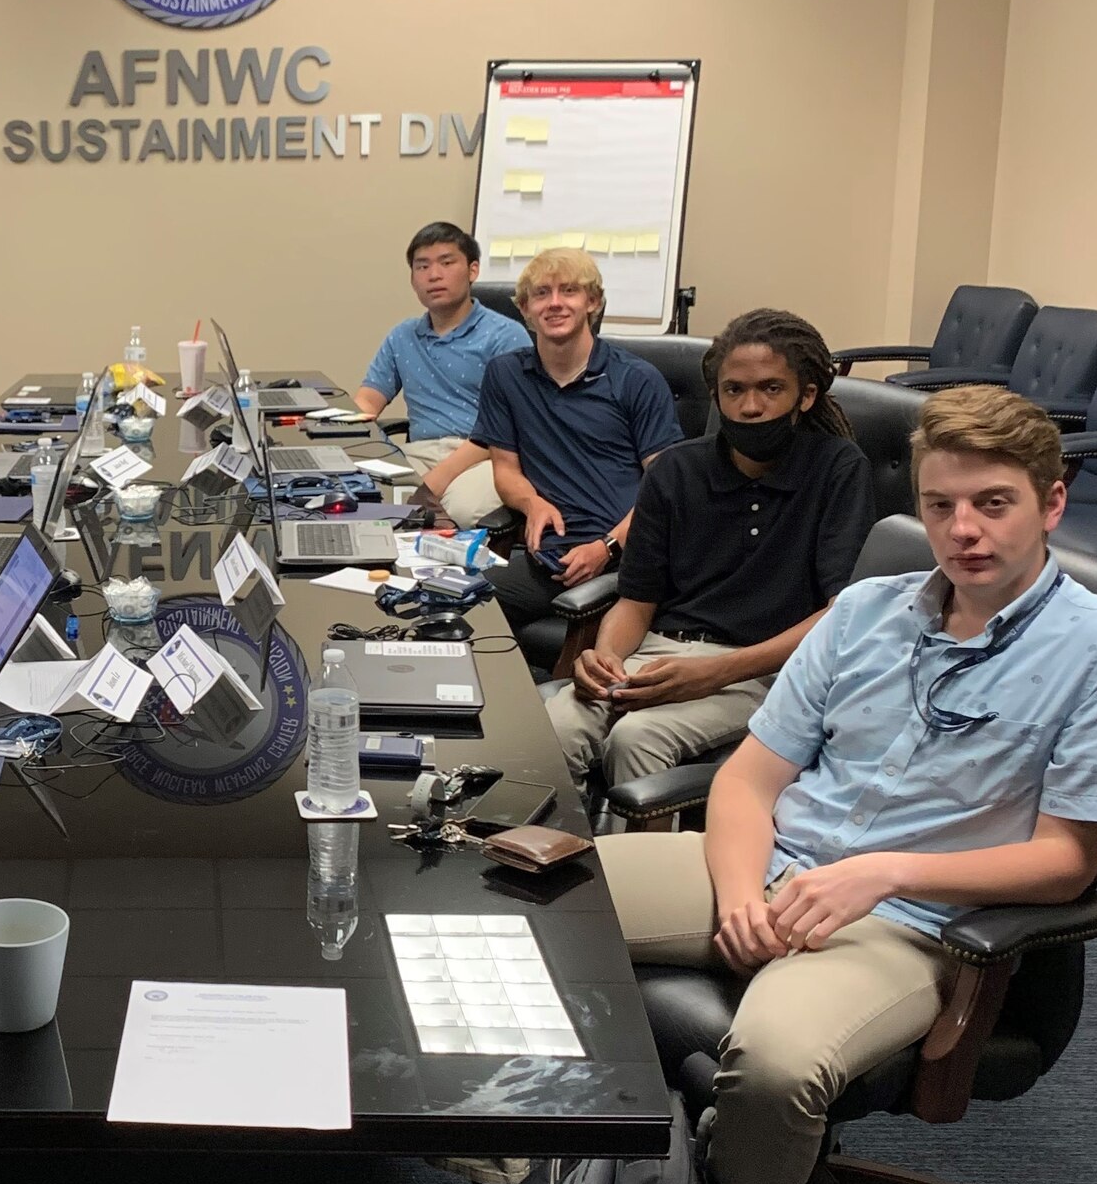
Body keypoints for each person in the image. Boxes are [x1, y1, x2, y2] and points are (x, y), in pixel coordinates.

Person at [597, 385, 1097, 1184]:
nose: (963, 530)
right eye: (941, 504)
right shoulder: (868, 610)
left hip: (913, 923)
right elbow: (749, 781)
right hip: (775, 864)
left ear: (1052, 501)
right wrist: (742, 888)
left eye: (993, 503)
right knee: (524, 899)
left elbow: (1068, 863)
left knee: (779, 1065)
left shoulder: (1093, 651)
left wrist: (886, 870)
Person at [547, 309, 874, 790]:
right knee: (557, 728)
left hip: (765, 669)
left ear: (805, 396)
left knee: (637, 738)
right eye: (734, 390)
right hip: (658, 655)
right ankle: (549, 859)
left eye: (771, 388)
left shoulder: (838, 469)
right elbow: (636, 602)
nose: (750, 407)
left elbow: (837, 615)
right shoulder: (675, 470)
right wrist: (606, 657)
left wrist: (714, 672)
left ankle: (633, 866)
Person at [470, 247, 683, 638]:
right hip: (552, 557)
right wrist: (530, 502)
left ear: (593, 302)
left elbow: (667, 490)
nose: (554, 303)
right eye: (541, 293)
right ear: (524, 308)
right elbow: (505, 469)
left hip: (630, 553)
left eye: (568, 291)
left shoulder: (637, 379)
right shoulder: (505, 375)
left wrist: (607, 547)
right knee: (457, 611)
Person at [353, 220, 532, 526]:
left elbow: (514, 426)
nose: (434, 275)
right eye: (422, 266)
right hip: (419, 452)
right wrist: (335, 430)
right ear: (412, 280)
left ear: (473, 270)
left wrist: (435, 480)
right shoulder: (403, 336)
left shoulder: (505, 336)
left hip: (484, 455)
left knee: (459, 511)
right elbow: (368, 401)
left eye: (446, 263)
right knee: (359, 495)